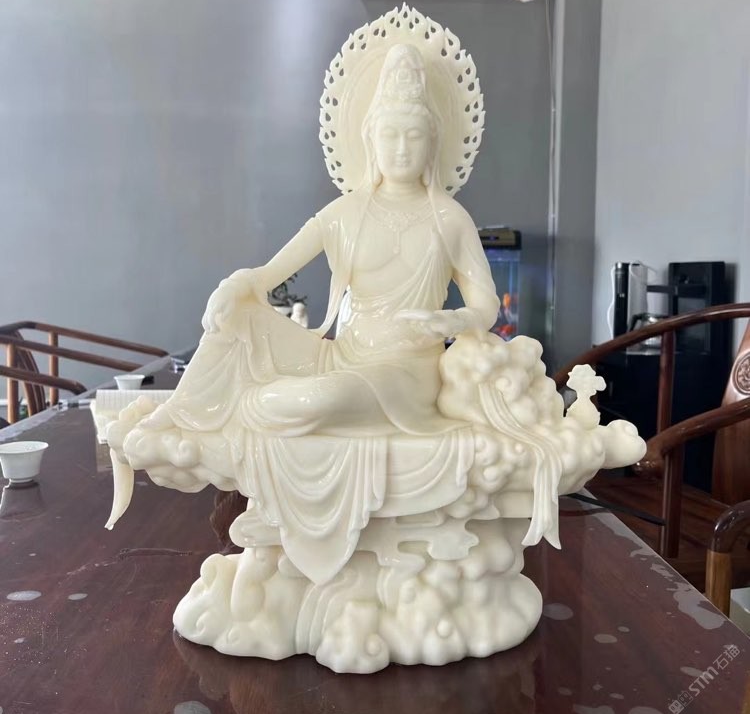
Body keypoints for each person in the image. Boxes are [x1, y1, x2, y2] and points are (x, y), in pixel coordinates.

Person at [143, 43, 499, 442]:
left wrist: (455, 321)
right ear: (371, 139)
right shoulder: (345, 213)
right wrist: (234, 286)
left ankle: (247, 406)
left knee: (323, 397)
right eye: (390, 135)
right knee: (238, 316)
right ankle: (183, 411)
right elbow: (267, 276)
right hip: (341, 356)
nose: (402, 149)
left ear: (432, 142)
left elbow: (486, 305)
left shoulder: (449, 218)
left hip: (405, 373)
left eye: (414, 136)